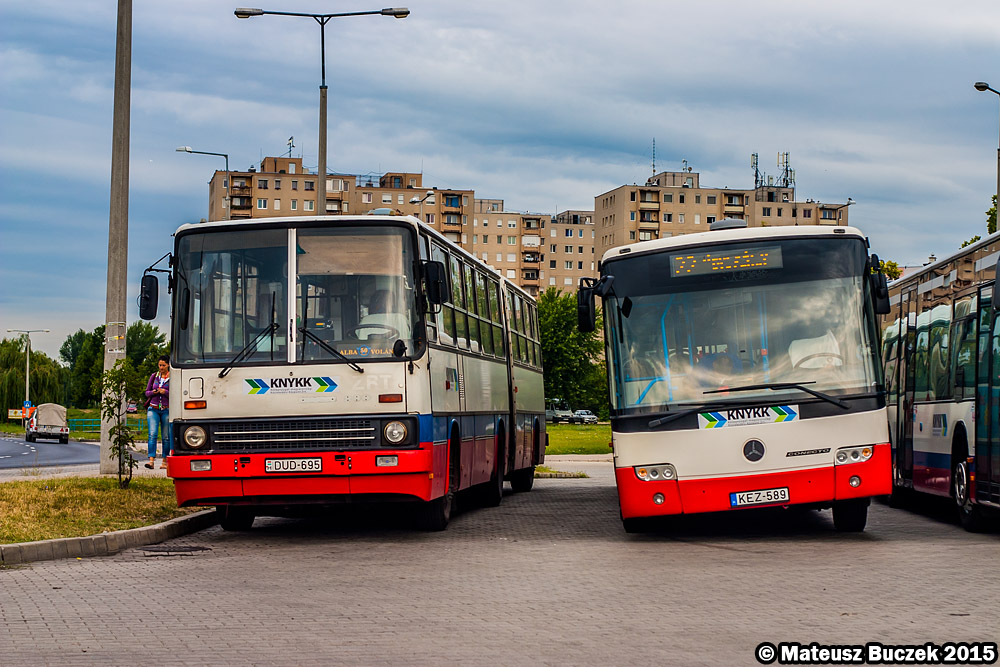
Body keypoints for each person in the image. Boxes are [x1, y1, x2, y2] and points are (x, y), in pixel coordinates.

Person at [144, 355, 171, 470]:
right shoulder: (154, 376)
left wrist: (165, 392)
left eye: (163, 365)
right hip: (153, 408)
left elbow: (175, 394)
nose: (161, 367)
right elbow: (147, 392)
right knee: (152, 434)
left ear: (168, 365)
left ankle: (164, 461)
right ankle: (151, 460)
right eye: (160, 365)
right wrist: (154, 392)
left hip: (166, 409)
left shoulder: (173, 377)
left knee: (166, 436)